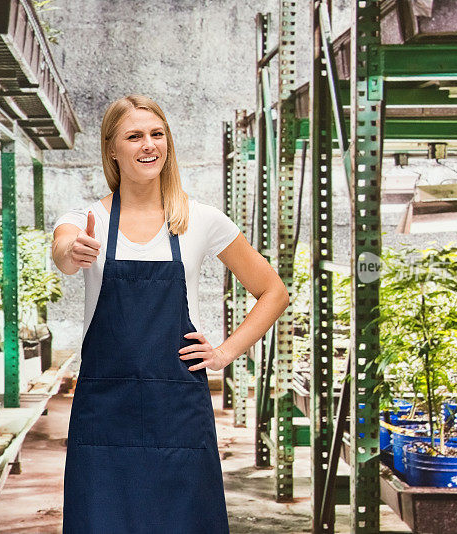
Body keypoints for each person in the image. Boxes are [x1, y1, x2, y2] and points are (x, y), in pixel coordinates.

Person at [51, 94, 289, 533]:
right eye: (135, 136)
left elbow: (273, 291)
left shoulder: (199, 220)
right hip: (105, 415)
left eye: (157, 134)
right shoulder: (85, 220)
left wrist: (223, 353)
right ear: (112, 149)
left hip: (177, 413)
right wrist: (73, 250)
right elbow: (64, 253)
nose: (149, 145)